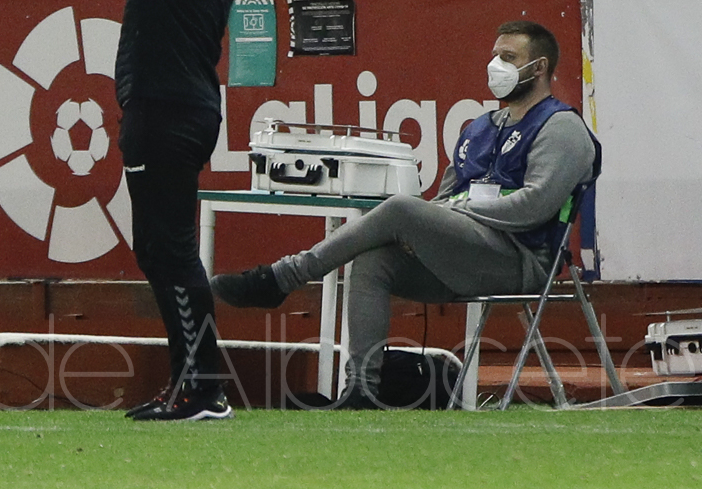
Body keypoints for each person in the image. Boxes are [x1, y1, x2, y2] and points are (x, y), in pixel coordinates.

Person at [211, 20, 602, 409]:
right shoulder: (480, 128)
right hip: (464, 255)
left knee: (402, 207)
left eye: (509, 57)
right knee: (372, 261)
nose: (495, 66)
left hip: (521, 259)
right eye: (494, 55)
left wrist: (443, 215)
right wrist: (428, 229)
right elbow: (445, 198)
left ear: (539, 67)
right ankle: (363, 391)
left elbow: (533, 207)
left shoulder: (561, 127)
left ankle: (283, 277)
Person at [17, 0, 240, 421]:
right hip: (169, 105)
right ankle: (192, 384)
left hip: (170, 108)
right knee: (160, 250)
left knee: (169, 249)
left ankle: (203, 388)